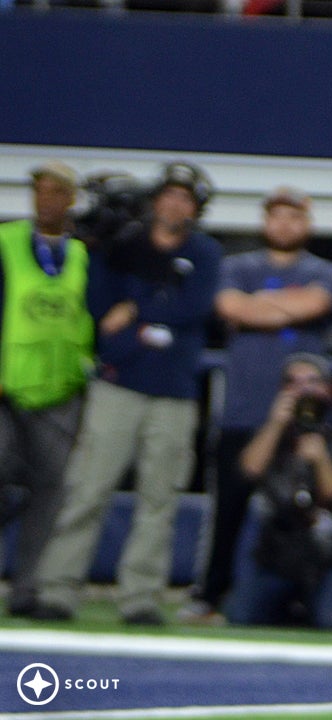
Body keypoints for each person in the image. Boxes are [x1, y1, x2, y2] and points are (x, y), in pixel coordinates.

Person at [31, 161, 222, 625]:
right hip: (119, 384)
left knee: (160, 497)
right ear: (156, 200)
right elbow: (98, 306)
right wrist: (142, 324)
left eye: (185, 199)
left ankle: (139, 596)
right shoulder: (124, 247)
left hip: (173, 391)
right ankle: (57, 588)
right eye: (169, 195)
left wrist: (136, 310)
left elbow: (194, 308)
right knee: (88, 488)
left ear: (195, 209)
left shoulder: (205, 252)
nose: (175, 205)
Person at [182, 186, 332, 624]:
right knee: (228, 510)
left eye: (295, 216)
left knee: (309, 506)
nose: (285, 224)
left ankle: (309, 594)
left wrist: (259, 308)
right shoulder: (237, 265)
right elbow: (228, 304)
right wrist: (285, 309)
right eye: (277, 215)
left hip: (304, 418)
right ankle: (209, 595)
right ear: (265, 220)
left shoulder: (325, 270)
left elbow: (316, 302)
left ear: (307, 223)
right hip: (244, 410)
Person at [0, 161, 94, 617]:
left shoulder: (81, 254)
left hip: (59, 390)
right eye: (39, 190)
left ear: (71, 199)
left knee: (50, 492)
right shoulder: (7, 240)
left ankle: (27, 590)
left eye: (57, 192)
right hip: (7, 386)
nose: (46, 200)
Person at [223, 353, 332, 629]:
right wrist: (275, 423)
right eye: (293, 383)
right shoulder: (269, 437)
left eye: (312, 382)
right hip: (278, 550)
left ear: (327, 389)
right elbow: (248, 471)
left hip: (327, 555)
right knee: (240, 615)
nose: (303, 390)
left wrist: (320, 457)